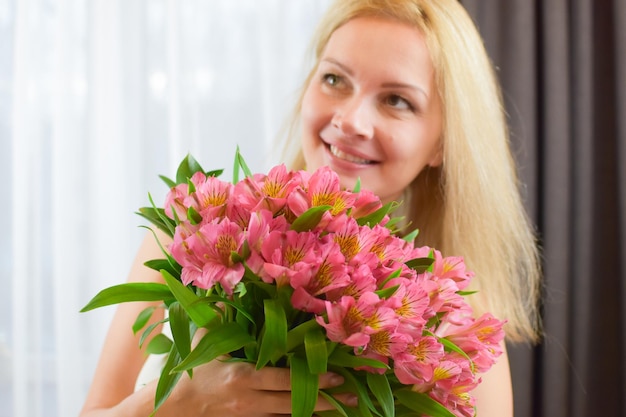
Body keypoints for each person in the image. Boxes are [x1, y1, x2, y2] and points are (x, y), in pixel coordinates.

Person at [80, 0, 541, 416]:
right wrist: (180, 405)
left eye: (397, 100)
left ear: (442, 141)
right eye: (335, 79)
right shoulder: (190, 233)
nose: (350, 121)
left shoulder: (457, 335)